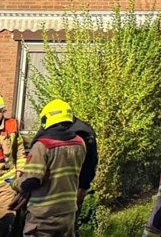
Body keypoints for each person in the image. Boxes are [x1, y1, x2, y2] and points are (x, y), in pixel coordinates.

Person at [13, 99, 86, 237]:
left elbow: (31, 180)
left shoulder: (42, 146)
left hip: (43, 216)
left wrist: (16, 184)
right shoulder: (80, 143)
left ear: (47, 119)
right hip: (68, 213)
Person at [66, 116, 96, 236]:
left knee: (70, 224)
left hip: (74, 187)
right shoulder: (83, 129)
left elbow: (90, 162)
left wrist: (83, 187)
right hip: (69, 187)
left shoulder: (83, 133)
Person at [0, 97, 25, 237]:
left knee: (7, 220)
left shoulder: (11, 126)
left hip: (6, 181)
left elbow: (20, 151)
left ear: (2, 111)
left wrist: (20, 172)